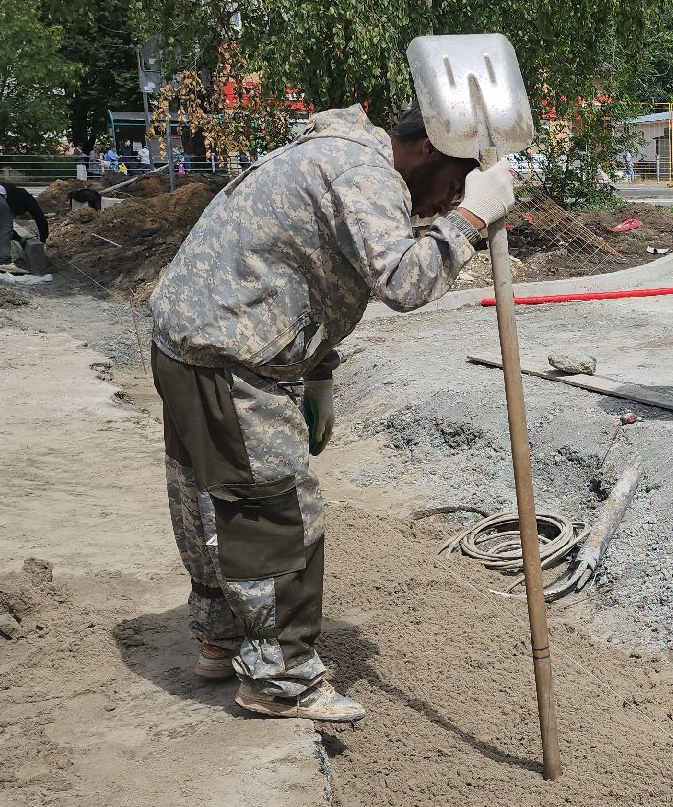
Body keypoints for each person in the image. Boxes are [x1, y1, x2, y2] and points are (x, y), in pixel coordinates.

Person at [148, 101, 514, 723]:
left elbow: (309, 266)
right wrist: (472, 217)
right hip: (229, 354)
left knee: (212, 496)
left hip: (198, 342)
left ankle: (222, 637)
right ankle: (281, 678)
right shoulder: (362, 173)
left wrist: (319, 372)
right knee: (275, 511)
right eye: (454, 183)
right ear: (429, 148)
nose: (444, 202)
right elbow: (403, 281)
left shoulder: (342, 158)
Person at [0, 180, 49, 270]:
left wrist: (18, 238)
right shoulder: (26, 198)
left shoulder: (11, 192)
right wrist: (43, 240)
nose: (16, 215)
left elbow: (2, 231)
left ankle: (0, 258)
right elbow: (40, 218)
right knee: (5, 228)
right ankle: (5, 262)